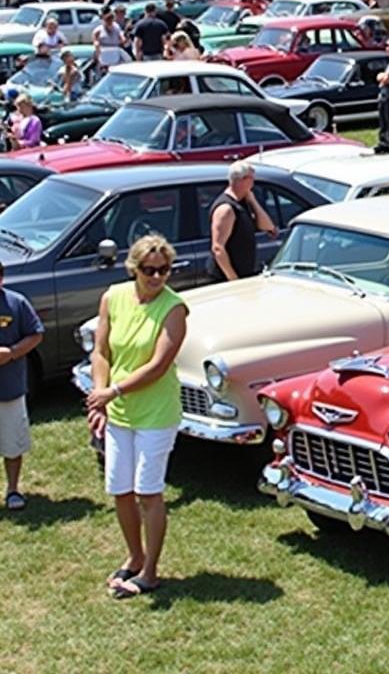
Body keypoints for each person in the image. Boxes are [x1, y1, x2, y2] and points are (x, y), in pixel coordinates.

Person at [85, 234, 188, 598]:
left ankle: (150, 572)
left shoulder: (174, 309)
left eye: (164, 270)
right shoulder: (112, 297)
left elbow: (159, 365)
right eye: (149, 270)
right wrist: (101, 398)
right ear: (134, 268)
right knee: (120, 490)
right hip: (120, 412)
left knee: (148, 492)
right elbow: (101, 352)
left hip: (156, 414)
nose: (157, 277)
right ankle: (134, 556)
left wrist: (111, 392)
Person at [0, 259, 44, 511]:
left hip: (9, 389)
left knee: (12, 443)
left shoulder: (16, 303)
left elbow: (36, 334)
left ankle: (13, 490)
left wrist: (13, 352)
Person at [209, 161, 277, 282]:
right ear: (242, 180)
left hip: (245, 273)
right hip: (228, 278)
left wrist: (253, 201)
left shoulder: (243, 202)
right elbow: (218, 248)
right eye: (251, 179)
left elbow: (267, 227)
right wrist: (233, 279)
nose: (253, 183)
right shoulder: (226, 209)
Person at [93, 9, 128, 73]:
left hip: (115, 50)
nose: (109, 22)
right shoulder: (98, 30)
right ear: (104, 21)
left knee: (128, 60)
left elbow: (121, 36)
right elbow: (95, 41)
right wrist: (97, 47)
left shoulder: (116, 27)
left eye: (111, 20)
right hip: (104, 51)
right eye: (107, 21)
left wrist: (122, 40)